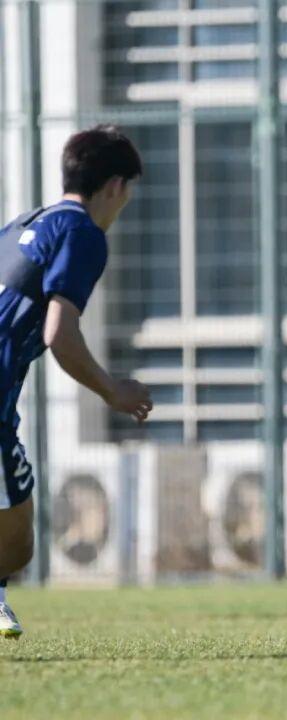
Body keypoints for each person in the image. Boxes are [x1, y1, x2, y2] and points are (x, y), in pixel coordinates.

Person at [0, 126, 154, 639]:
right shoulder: (82, 233)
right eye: (127, 193)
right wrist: (113, 391)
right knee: (16, 546)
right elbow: (60, 334)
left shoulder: (23, 224)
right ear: (115, 186)